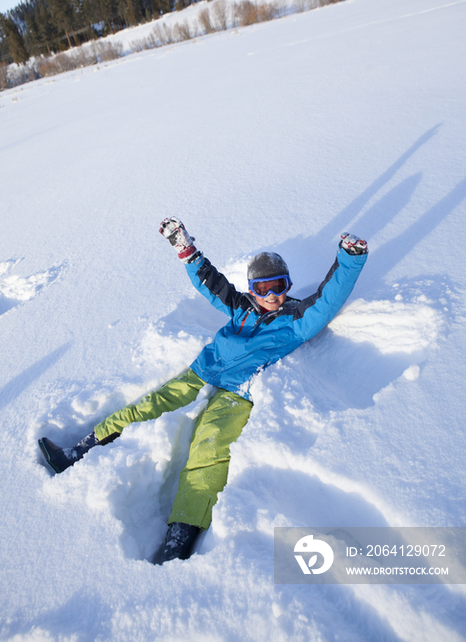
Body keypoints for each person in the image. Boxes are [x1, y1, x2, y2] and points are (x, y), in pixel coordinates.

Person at [39, 218, 368, 563]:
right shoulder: (241, 306)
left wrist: (350, 259)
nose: (272, 296)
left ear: (288, 284)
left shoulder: (297, 320)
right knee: (147, 406)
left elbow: (328, 301)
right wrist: (185, 248)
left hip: (236, 393)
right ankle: (78, 451)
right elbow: (210, 283)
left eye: (279, 286)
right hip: (203, 371)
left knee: (208, 447)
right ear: (252, 289)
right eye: (263, 288)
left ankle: (181, 535)